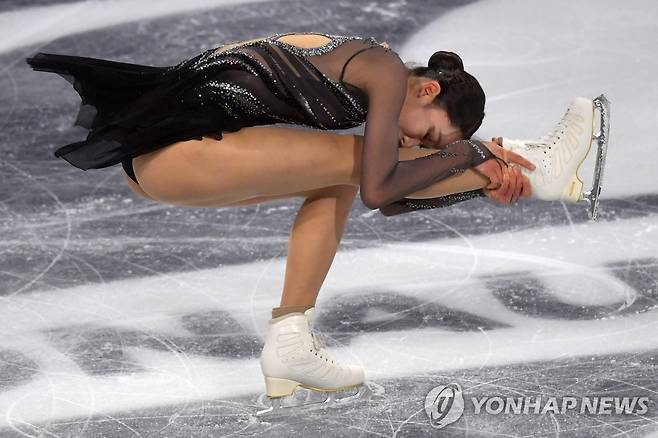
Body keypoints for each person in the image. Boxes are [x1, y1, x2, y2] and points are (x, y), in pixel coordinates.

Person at [24, 32, 552, 404]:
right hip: (183, 152)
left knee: (337, 180)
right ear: (428, 90)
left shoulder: (381, 72)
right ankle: (546, 165)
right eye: (431, 134)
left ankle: (290, 344)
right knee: (356, 168)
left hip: (167, 163)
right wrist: (470, 158)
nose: (417, 142)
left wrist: (474, 186)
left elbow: (389, 200)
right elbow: (380, 189)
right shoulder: (387, 73)